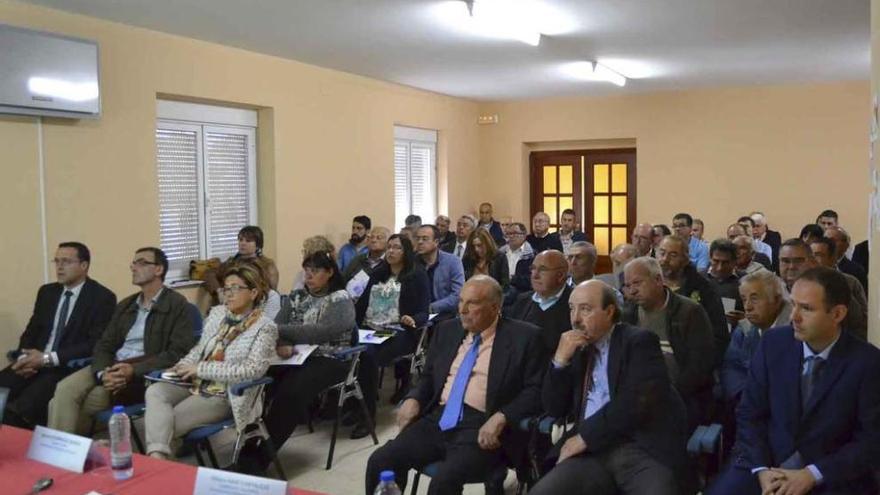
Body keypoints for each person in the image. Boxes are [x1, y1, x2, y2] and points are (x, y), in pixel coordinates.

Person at [364, 276, 544, 495]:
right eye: (460, 301)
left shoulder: (524, 337)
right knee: (381, 460)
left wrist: (502, 416)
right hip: (438, 418)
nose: (463, 309)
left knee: (443, 481)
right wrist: (414, 398)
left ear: (495, 307)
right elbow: (429, 377)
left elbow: (535, 390)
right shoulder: (447, 330)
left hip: (483, 424)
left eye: (473, 303)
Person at [709, 267, 880, 495]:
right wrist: (762, 470)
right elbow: (749, 413)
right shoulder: (773, 343)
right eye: (794, 304)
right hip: (766, 463)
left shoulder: (867, 362)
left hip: (829, 473)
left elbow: (871, 440)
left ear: (837, 314)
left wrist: (813, 474)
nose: (793, 316)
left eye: (806, 309)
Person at [529, 281, 694, 495]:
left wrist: (585, 437)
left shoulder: (639, 342)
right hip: (589, 454)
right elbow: (554, 408)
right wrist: (559, 362)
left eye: (586, 309)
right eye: (572, 308)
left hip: (637, 446)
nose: (575, 318)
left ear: (609, 311)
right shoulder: (576, 349)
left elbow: (635, 403)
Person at [48, 247, 195, 435]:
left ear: (159, 270)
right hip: (111, 366)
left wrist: (133, 370)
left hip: (141, 373)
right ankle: (67, 451)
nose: (134, 268)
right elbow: (104, 344)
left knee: (88, 398)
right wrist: (102, 373)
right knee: (64, 388)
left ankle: (65, 451)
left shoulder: (177, 305)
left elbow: (177, 353)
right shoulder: (126, 305)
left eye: (141, 263)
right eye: (133, 263)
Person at [144, 262, 278, 459]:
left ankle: (156, 464)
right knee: (155, 392)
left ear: (253, 292)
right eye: (225, 288)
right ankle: (158, 461)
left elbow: (251, 370)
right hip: (194, 381)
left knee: (166, 423)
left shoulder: (265, 327)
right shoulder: (218, 314)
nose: (228, 294)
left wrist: (201, 369)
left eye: (235, 288)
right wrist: (182, 365)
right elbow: (200, 349)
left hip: (225, 393)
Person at [240, 251, 356, 473]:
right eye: (307, 271)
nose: (309, 276)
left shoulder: (341, 299)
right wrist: (282, 341)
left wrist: (281, 332)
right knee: (258, 383)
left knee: (292, 393)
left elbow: (321, 332)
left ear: (330, 272)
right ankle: (248, 448)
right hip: (294, 356)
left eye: (315, 271)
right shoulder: (296, 296)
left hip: (331, 358)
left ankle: (261, 459)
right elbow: (277, 325)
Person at [0, 242, 116, 428]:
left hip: (63, 366)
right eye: (57, 261)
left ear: (84, 265)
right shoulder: (47, 292)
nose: (60, 267)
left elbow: (93, 344)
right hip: (33, 361)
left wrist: (46, 358)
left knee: (21, 408)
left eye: (66, 262)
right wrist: (24, 357)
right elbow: (32, 330)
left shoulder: (102, 297)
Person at [622, 257, 715, 428]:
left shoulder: (689, 312)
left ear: (658, 280)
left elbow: (700, 367)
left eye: (637, 283)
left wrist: (667, 397)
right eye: (628, 286)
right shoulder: (628, 314)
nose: (632, 291)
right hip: (637, 399)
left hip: (681, 398)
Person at [355, 234, 430, 437]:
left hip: (401, 332)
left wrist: (412, 318)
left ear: (406, 252)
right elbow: (361, 306)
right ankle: (354, 407)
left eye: (396, 247)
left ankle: (367, 416)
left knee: (368, 355)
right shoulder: (378, 274)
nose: (391, 251)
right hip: (372, 329)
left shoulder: (417, 275)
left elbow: (425, 311)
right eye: (389, 247)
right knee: (353, 349)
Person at [656, 235, 729, 367]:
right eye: (662, 253)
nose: (665, 260)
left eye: (673, 255)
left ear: (685, 260)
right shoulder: (650, 284)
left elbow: (719, 334)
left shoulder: (704, 289)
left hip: (691, 362)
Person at [720, 270, 792, 405]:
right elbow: (731, 367)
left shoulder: (796, 331)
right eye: (744, 299)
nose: (747, 307)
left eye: (754, 299)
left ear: (776, 300)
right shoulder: (744, 328)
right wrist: (745, 397)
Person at [507, 250, 573, 359]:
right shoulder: (522, 300)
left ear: (560, 275)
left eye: (543, 270)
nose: (535, 275)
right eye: (533, 268)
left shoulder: (575, 304)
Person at [809, 237, 867, 340]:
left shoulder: (850, 282)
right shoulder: (803, 284)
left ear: (833, 258)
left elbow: (861, 320)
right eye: (811, 255)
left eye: (818, 255)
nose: (813, 260)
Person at [204, 226, 280, 304]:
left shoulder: (267, 264)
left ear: (258, 245)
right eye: (241, 240)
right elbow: (210, 273)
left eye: (248, 241)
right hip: (228, 305)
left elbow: (271, 293)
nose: (243, 243)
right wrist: (219, 291)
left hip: (255, 306)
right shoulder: (231, 262)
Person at [414, 225, 465, 320]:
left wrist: (431, 307)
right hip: (416, 315)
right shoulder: (412, 263)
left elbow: (458, 294)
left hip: (445, 314)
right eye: (418, 239)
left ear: (436, 242)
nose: (420, 242)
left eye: (425, 239)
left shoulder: (452, 261)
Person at [343, 226, 390, 299]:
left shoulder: (389, 262)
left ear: (388, 243)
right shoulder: (358, 259)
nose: (373, 240)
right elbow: (344, 280)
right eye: (371, 237)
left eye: (379, 238)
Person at [824, 226, 868, 293]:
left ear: (846, 245)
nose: (828, 244)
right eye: (825, 240)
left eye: (832, 240)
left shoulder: (856, 270)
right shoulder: (818, 265)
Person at [706, 238, 743, 312]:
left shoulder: (744, 281)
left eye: (725, 263)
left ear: (734, 261)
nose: (720, 268)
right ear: (710, 258)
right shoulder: (698, 278)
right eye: (716, 261)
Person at [501, 222, 535, 297]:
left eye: (515, 233)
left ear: (524, 235)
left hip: (522, 293)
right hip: (501, 291)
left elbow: (531, 280)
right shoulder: (501, 253)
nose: (512, 236)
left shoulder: (532, 255)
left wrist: (513, 279)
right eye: (509, 234)